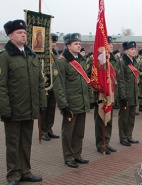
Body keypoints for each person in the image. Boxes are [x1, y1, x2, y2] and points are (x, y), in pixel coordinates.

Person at [0, 19, 47, 185]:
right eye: (19, 32)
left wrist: (41, 104)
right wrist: (5, 110)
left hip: (30, 108)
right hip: (14, 110)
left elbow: (39, 82)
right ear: (10, 35)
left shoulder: (31, 55)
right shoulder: (3, 56)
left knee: (26, 142)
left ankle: (26, 172)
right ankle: (13, 175)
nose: (23, 34)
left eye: (24, 32)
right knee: (13, 144)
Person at [53, 33, 90, 168]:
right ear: (68, 46)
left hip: (82, 102)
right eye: (75, 43)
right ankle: (68, 157)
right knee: (68, 132)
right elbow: (58, 86)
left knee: (79, 132)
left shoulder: (82, 60)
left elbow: (85, 82)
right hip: (70, 104)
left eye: (79, 43)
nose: (79, 45)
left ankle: (77, 154)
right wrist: (63, 105)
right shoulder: (61, 62)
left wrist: (89, 100)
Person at [94, 36, 117, 154]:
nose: (111, 45)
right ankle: (100, 144)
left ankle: (106, 142)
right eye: (108, 43)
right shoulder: (98, 59)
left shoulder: (113, 59)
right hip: (101, 95)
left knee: (109, 120)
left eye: (112, 44)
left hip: (111, 94)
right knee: (101, 120)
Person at [118, 41, 139, 146]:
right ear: (126, 51)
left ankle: (129, 136)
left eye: (134, 49)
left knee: (131, 117)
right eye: (131, 49)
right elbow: (120, 81)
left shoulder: (135, 62)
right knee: (124, 118)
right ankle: (123, 137)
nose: (134, 51)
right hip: (126, 95)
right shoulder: (122, 63)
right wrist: (122, 96)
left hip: (133, 94)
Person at [41, 33, 60, 141]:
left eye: (55, 42)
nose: (54, 44)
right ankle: (43, 131)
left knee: (51, 109)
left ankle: (49, 129)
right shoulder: (43, 53)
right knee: (44, 109)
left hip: (54, 85)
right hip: (45, 85)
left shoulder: (55, 53)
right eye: (52, 42)